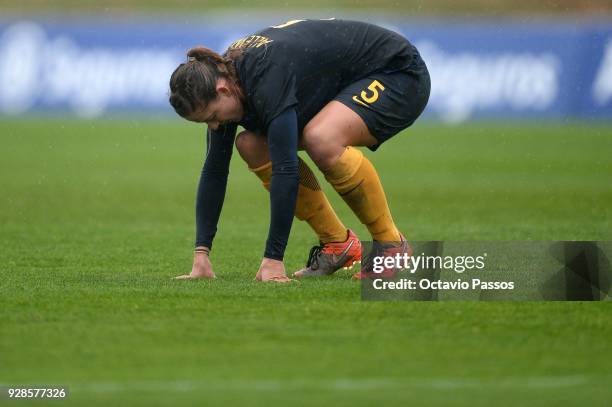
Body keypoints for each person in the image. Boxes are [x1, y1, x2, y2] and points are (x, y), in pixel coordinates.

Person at [170, 18, 430, 282]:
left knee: (321, 138)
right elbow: (215, 169)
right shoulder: (222, 77)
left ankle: (392, 246)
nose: (214, 126)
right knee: (251, 145)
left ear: (222, 89)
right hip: (346, 82)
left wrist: (273, 259)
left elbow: (286, 169)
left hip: (397, 72)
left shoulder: (265, 75)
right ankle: (338, 246)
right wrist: (201, 255)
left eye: (212, 116)